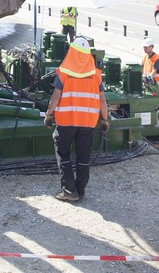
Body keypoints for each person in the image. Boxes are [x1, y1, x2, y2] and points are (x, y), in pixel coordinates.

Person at [44, 36, 109, 202]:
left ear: (71, 51)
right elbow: (102, 100)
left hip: (66, 121)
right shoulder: (95, 75)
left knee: (63, 153)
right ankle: (80, 190)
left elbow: (56, 96)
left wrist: (49, 114)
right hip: (87, 123)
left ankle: (69, 190)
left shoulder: (64, 72)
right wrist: (104, 120)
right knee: (83, 156)